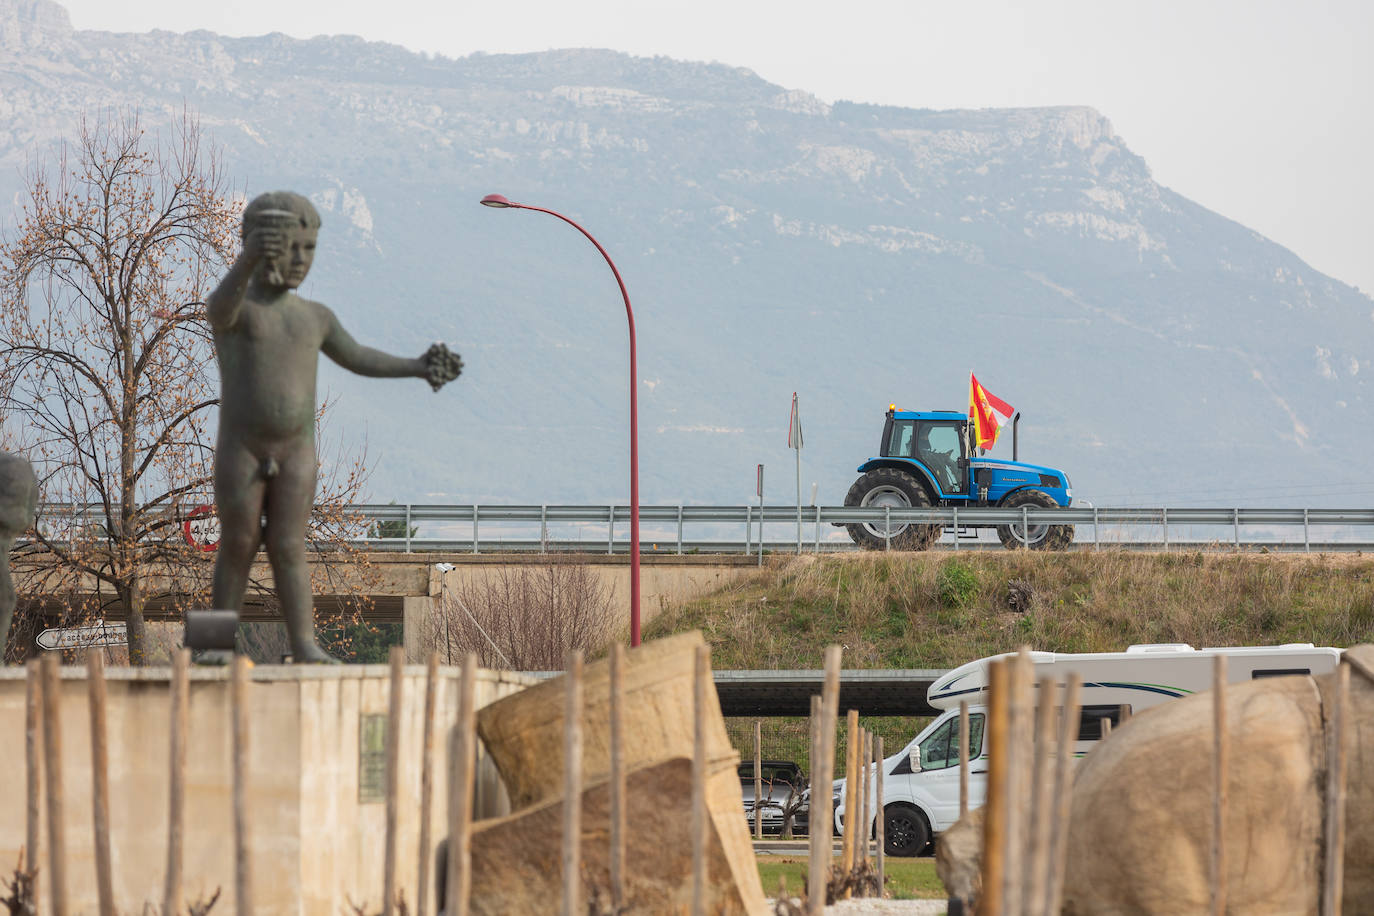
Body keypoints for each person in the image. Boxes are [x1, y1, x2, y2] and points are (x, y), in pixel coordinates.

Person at [205, 191, 460, 662]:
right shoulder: (238, 312)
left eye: (310, 249)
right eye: (291, 247)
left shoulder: (314, 318)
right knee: (238, 541)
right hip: (241, 448)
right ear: (260, 246)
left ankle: (304, 644)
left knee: (288, 544)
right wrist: (246, 261)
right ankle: (214, 643)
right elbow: (216, 309)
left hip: (296, 450)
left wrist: (418, 366)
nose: (302, 259)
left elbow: (359, 357)